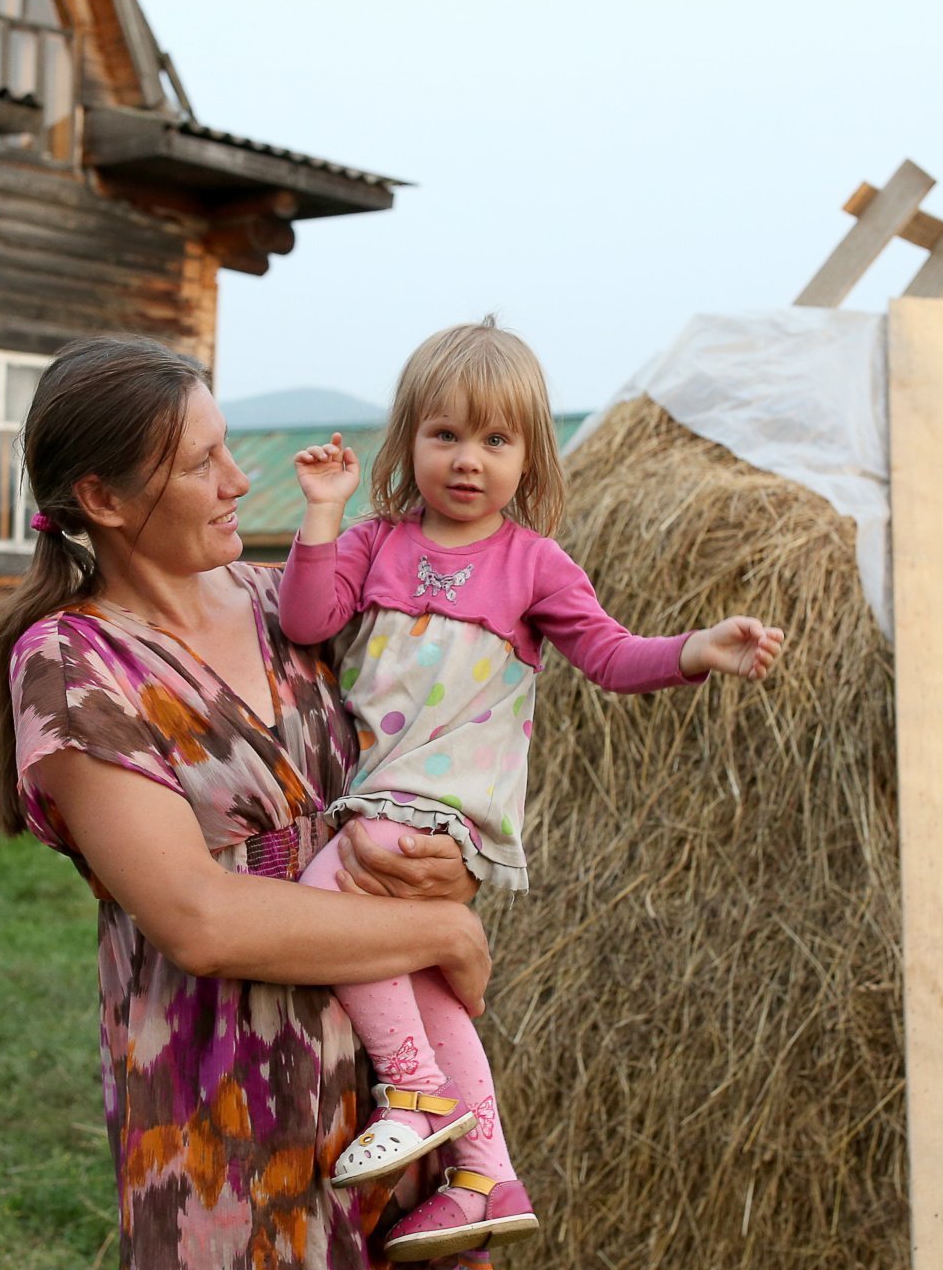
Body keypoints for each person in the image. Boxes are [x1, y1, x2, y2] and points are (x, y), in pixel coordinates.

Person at [0, 335, 500, 1270]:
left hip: (397, 1095)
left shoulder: (290, 603)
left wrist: (453, 857)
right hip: (229, 1108)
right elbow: (200, 919)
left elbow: (431, 741)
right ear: (100, 499)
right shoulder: (72, 669)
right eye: (200, 463)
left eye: (227, 447)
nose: (237, 480)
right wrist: (443, 935)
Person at [277, 317, 786, 1261]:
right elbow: (307, 618)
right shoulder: (375, 541)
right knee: (426, 978)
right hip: (391, 797)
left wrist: (694, 651)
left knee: (329, 893)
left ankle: (414, 1089)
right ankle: (485, 1173)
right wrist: (321, 513)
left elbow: (609, 654)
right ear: (409, 443)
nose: (468, 460)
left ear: (529, 456)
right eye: (446, 435)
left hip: (442, 811)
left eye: (495, 440)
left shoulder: (534, 564)